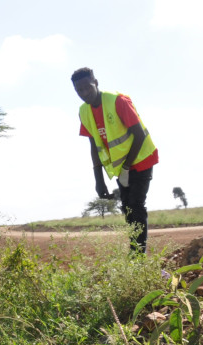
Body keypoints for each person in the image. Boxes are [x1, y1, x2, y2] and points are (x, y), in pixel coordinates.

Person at [72, 67, 158, 253]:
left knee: (136, 205)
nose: (84, 93)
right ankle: (135, 250)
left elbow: (139, 134)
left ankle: (138, 257)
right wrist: (99, 180)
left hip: (141, 158)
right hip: (121, 168)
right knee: (127, 209)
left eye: (87, 87)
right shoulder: (84, 111)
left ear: (96, 82)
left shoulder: (117, 101)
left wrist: (127, 167)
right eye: (79, 90)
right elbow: (94, 145)